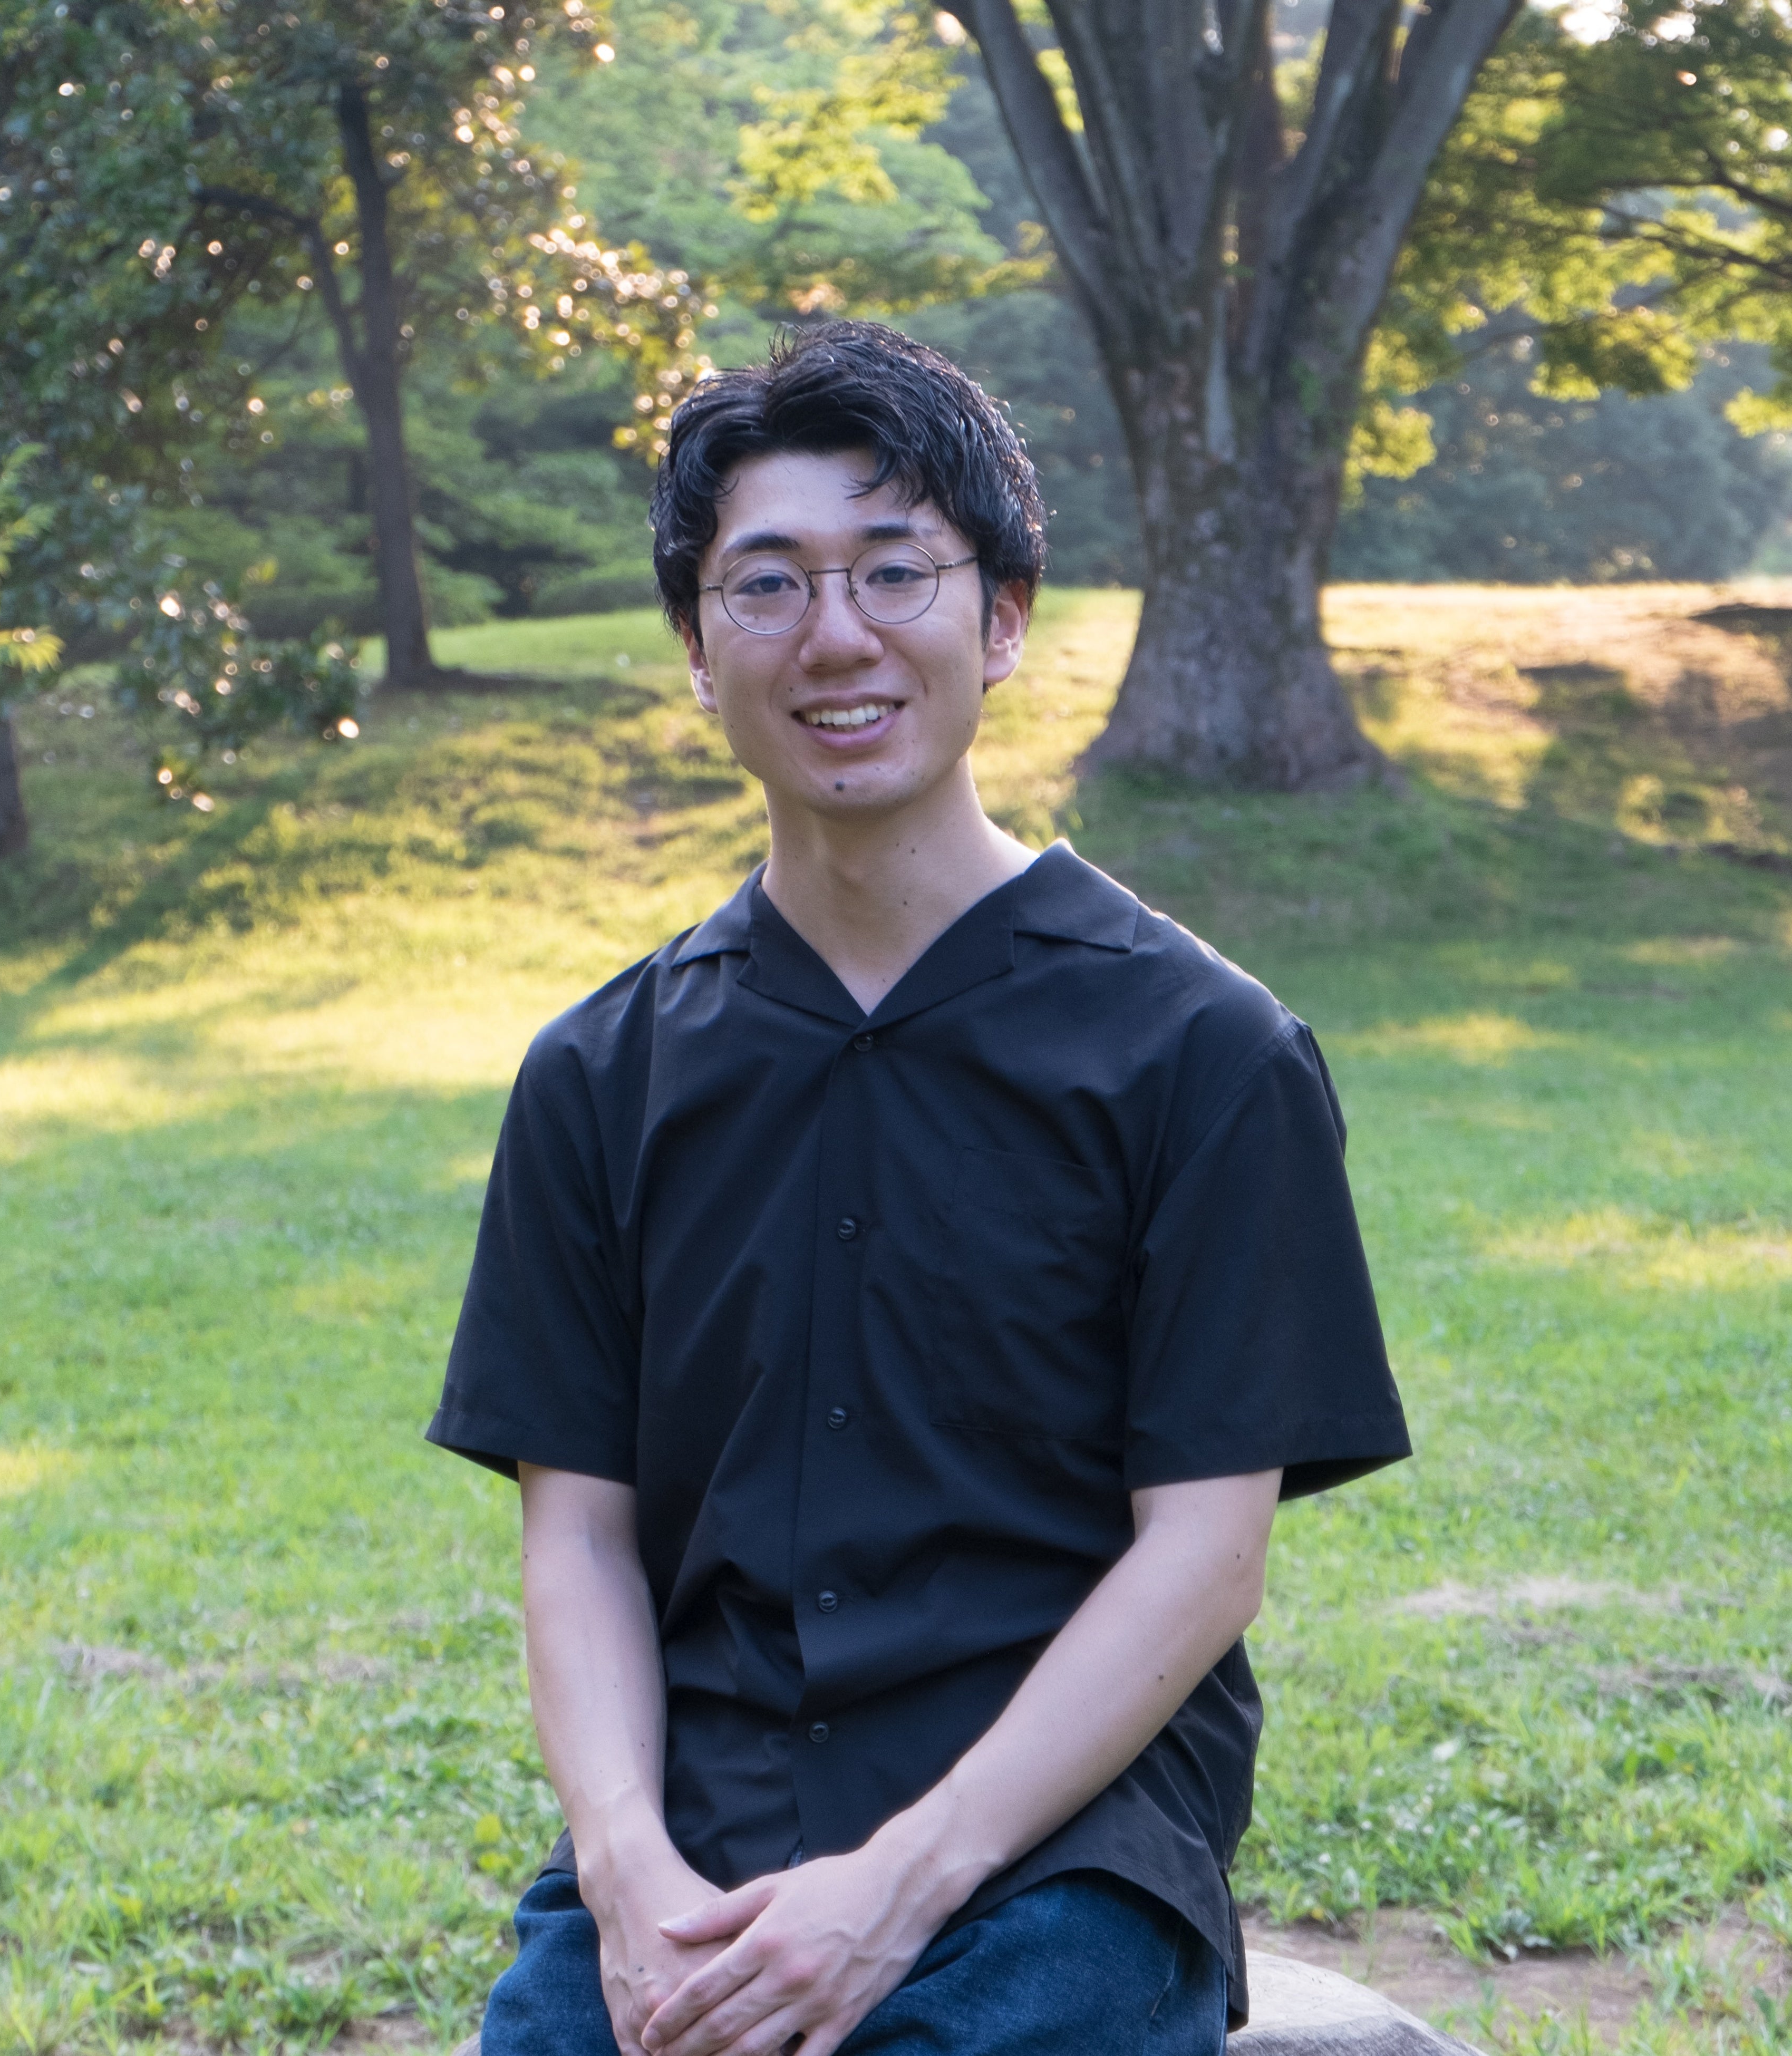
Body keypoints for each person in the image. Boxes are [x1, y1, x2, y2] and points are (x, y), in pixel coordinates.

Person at [427, 321, 1410, 2056]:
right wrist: (624, 1863)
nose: (836, 634)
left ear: (1001, 618)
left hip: (1062, 1841)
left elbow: (1205, 1553)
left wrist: (902, 1880)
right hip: (705, 1829)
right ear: (696, 648)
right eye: (767, 584)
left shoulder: (1202, 1051)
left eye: (896, 571)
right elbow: (577, 1532)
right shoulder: (599, 1073)